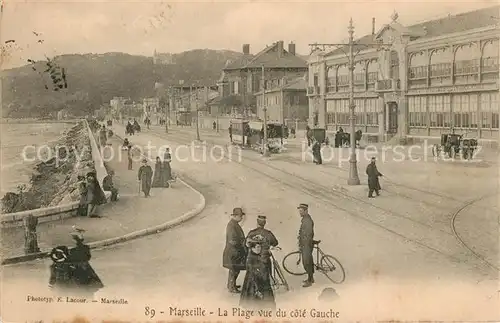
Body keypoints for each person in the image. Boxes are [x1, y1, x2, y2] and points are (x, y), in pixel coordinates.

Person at [239, 238, 276, 310]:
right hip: (255, 283)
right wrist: (256, 289)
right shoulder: (250, 259)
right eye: (257, 247)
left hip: (264, 281)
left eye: (260, 247)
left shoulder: (258, 255)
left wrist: (270, 277)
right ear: (252, 248)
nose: (259, 249)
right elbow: (252, 275)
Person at [68, 230, 104, 298]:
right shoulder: (86, 248)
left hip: (77, 269)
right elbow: (88, 257)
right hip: (86, 268)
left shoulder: (72, 250)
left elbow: (71, 260)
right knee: (89, 286)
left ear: (75, 240)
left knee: (79, 286)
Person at [222, 207, 247, 293]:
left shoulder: (234, 224)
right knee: (234, 269)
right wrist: (241, 244)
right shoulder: (232, 225)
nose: (241, 218)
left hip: (234, 251)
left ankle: (231, 285)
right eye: (240, 216)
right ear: (235, 216)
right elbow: (232, 240)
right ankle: (231, 287)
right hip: (233, 252)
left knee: (235, 269)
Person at [297, 203, 314, 287]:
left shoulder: (307, 221)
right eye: (299, 211)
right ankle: (311, 278)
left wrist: (303, 243)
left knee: (306, 262)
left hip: (306, 244)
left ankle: (310, 281)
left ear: (306, 211)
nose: (300, 213)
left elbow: (308, 234)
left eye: (301, 211)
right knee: (308, 261)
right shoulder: (305, 219)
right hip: (306, 243)